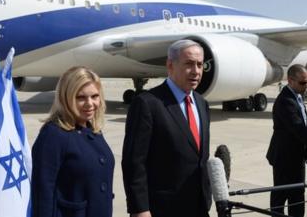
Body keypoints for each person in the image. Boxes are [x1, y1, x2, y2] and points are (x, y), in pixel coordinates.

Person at [121, 39, 211, 217]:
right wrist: (140, 209)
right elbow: (134, 163)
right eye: (189, 64)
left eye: (200, 65)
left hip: (199, 206)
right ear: (170, 65)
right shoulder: (147, 103)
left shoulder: (201, 103)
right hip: (163, 208)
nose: (196, 71)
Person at [31, 66, 115, 217]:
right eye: (81, 97)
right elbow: (42, 192)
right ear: (66, 98)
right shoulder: (53, 135)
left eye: (95, 96)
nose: (90, 104)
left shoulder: (93, 129)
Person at [266, 64, 307, 217]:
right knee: (280, 196)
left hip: (297, 156)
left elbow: (303, 128)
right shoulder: (285, 101)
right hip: (283, 156)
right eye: (302, 83)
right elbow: (299, 129)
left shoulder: (298, 96)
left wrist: (305, 149)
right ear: (290, 80)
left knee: (298, 195)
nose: (306, 86)